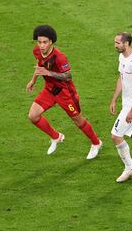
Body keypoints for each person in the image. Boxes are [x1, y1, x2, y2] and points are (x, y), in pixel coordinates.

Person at [26, 25, 102, 159]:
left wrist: (48, 72)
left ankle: (96, 143)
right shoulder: (37, 51)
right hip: (49, 90)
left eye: (44, 42)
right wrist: (33, 80)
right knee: (33, 116)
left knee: (78, 120)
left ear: (51, 42)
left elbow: (68, 76)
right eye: (39, 42)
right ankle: (56, 137)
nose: (41, 45)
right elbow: (39, 65)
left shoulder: (60, 57)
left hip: (65, 93)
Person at [110, 32, 132, 182]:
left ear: (127, 43)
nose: (115, 45)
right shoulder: (122, 57)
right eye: (115, 42)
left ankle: (129, 167)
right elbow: (121, 77)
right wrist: (114, 100)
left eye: (118, 43)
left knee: (115, 136)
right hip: (126, 103)